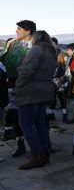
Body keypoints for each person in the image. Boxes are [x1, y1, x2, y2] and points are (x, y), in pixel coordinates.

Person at [15, 30, 57, 169]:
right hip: (44, 92)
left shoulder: (36, 50)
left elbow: (27, 71)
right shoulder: (51, 53)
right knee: (40, 124)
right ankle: (44, 152)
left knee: (26, 125)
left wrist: (18, 85)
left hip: (30, 92)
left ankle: (36, 156)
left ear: (36, 38)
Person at [0, 20, 36, 157]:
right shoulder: (13, 44)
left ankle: (41, 147)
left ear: (27, 31)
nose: (16, 31)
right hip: (14, 85)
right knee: (15, 114)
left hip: (31, 86)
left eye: (19, 29)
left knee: (35, 116)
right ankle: (20, 143)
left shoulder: (36, 45)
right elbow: (4, 62)